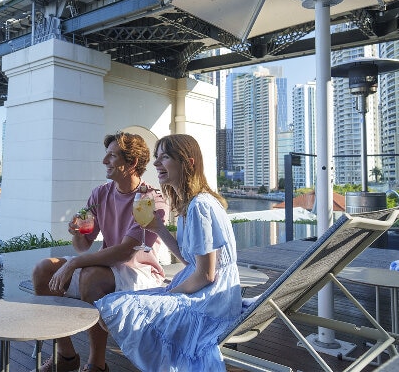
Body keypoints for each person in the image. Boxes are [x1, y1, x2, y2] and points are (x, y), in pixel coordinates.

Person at [94, 134, 242, 372]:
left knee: (114, 307)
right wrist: (158, 228)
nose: (156, 164)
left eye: (165, 157)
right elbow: (190, 261)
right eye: (156, 157)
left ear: (188, 162)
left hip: (211, 301)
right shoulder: (191, 204)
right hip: (210, 293)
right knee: (111, 306)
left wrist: (169, 294)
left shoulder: (200, 206)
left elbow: (206, 275)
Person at [30, 131, 170, 372]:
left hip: (141, 273)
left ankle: (97, 364)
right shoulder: (99, 194)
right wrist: (77, 233)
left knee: (91, 277)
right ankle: (66, 357)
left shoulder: (151, 199)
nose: (104, 161)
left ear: (131, 163)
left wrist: (74, 264)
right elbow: (83, 246)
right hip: (106, 267)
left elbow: (125, 252)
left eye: (112, 156)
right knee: (43, 269)